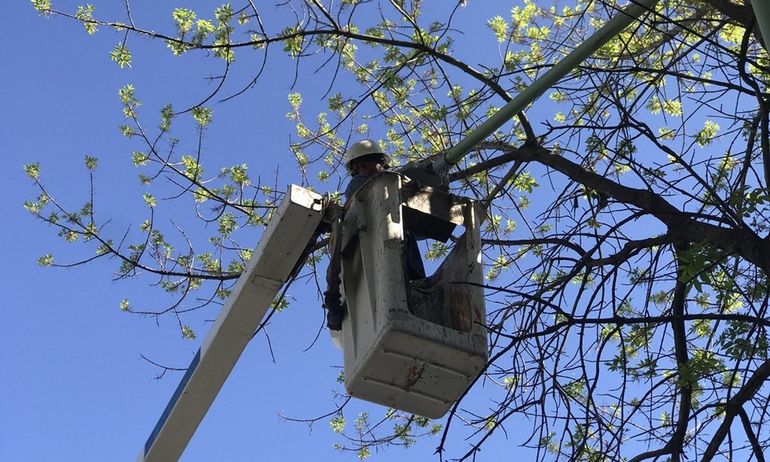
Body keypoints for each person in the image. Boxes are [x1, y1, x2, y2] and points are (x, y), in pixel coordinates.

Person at [324, 139, 425, 333]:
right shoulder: (361, 186)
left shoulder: (392, 198)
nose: (362, 171)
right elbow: (380, 190)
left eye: (365, 165)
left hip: (403, 267)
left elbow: (419, 227)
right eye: (358, 168)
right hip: (378, 262)